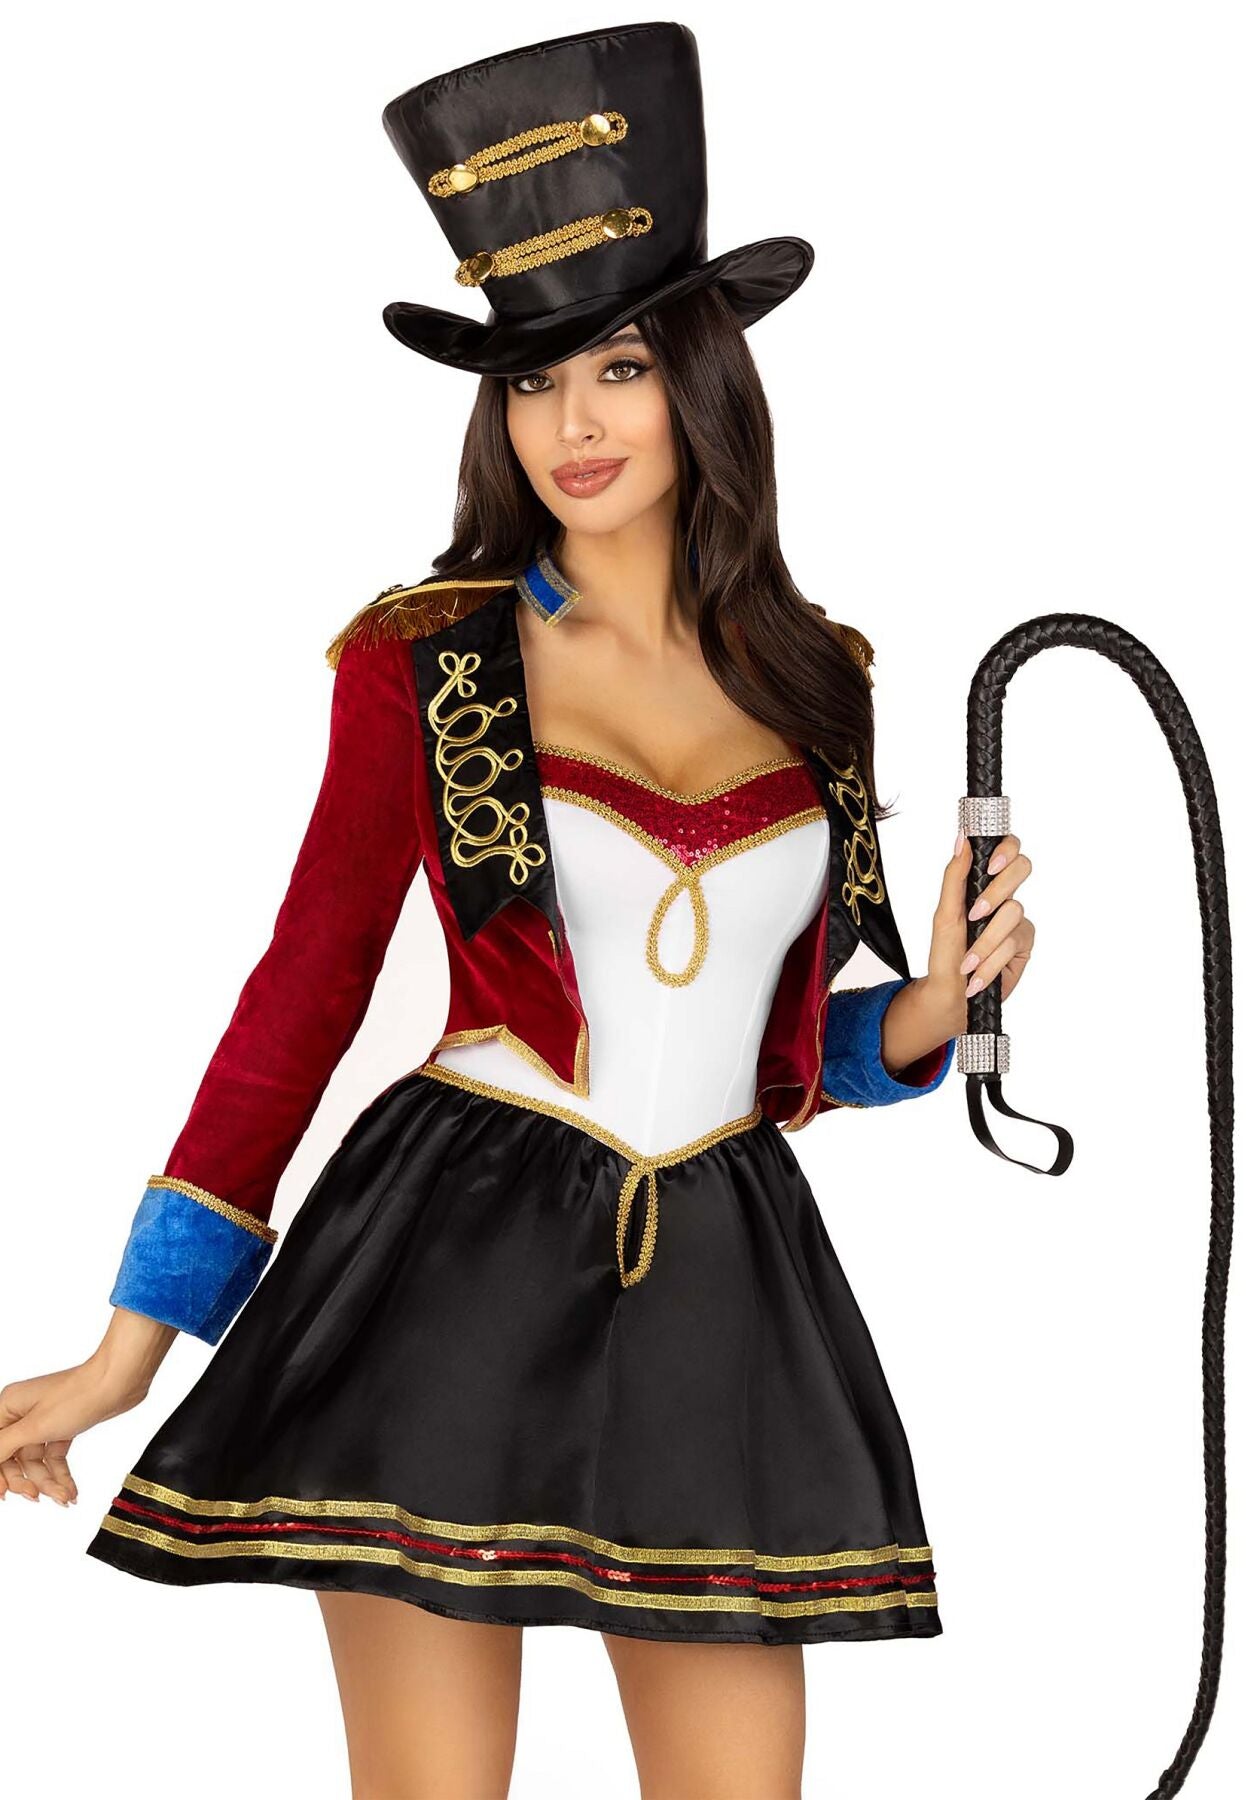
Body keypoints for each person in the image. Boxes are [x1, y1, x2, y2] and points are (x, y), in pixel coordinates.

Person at [0, 24, 1035, 1798]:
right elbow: (302, 997)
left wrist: (934, 1006)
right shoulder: (428, 662)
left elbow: (777, 1046)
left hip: (719, 1273)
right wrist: (126, 1349)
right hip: (446, 1265)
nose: (573, 425)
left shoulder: (818, 681)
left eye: (619, 368)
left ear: (701, 379)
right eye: (532, 380)